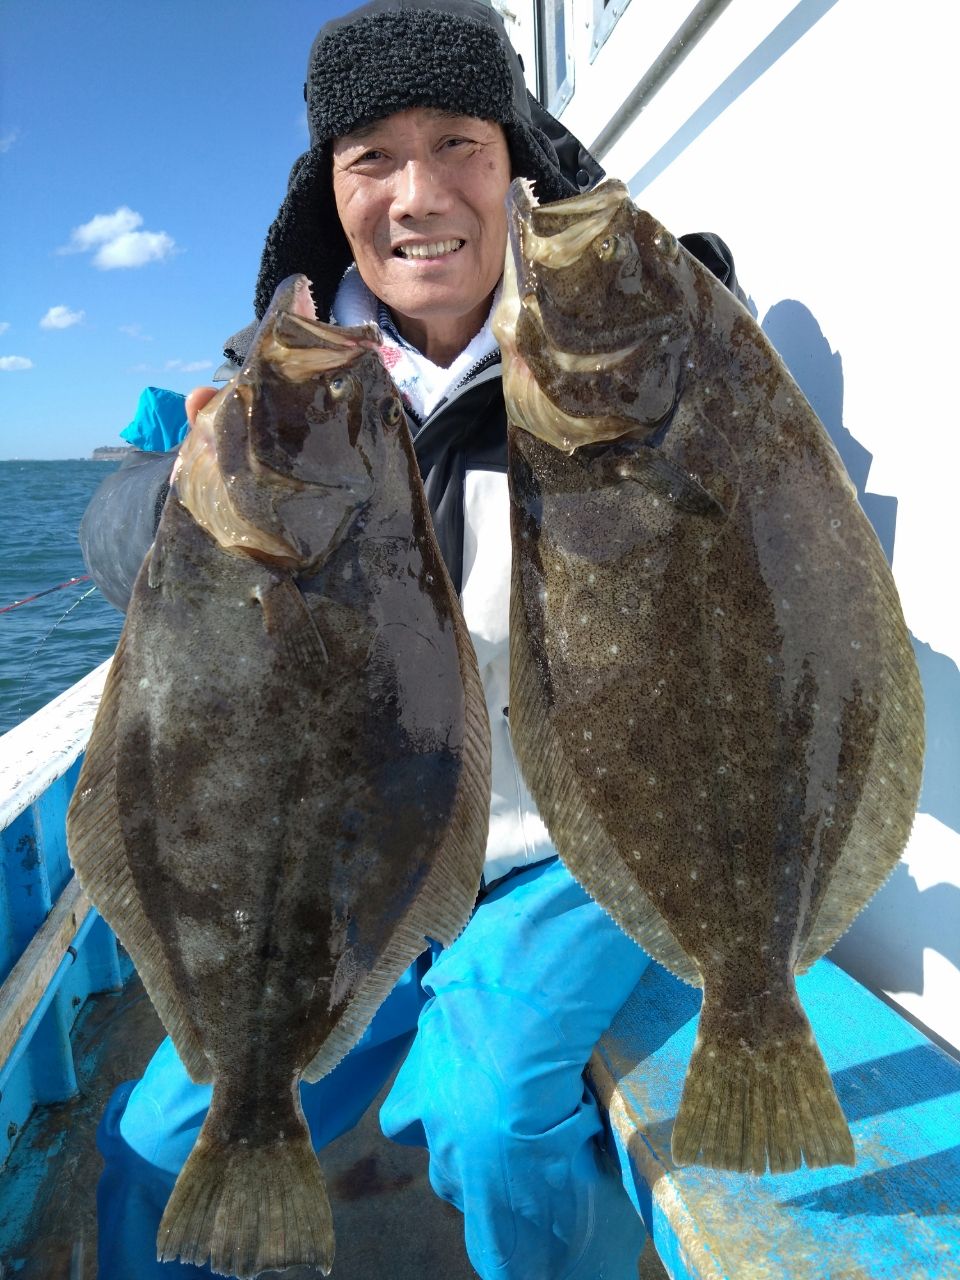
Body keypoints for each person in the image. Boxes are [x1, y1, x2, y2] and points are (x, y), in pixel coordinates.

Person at [82, 2, 744, 1276]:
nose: (419, 192)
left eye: (460, 143)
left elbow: (750, 539)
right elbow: (117, 544)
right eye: (371, 158)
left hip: (562, 848)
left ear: (519, 163)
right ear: (329, 192)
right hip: (359, 873)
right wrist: (181, 495)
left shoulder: (620, 358)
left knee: (492, 1124)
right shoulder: (291, 372)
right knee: (160, 1146)